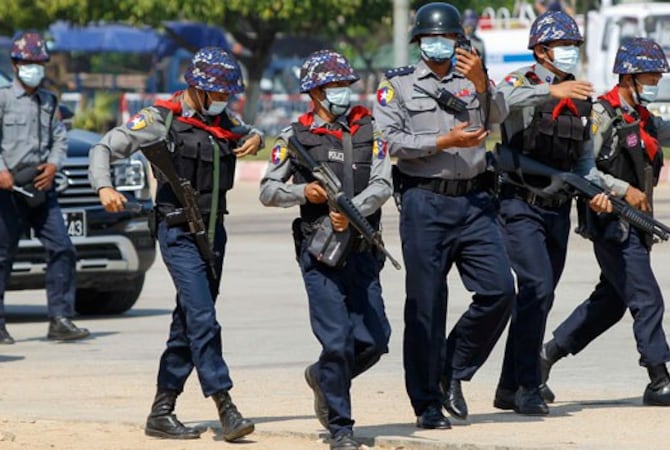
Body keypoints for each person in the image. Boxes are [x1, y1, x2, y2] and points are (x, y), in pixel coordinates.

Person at [541, 37, 670, 407]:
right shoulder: (600, 115)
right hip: (611, 222)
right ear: (628, 77)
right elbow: (583, 170)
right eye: (651, 78)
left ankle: (542, 358)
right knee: (647, 299)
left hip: (637, 226)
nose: (656, 84)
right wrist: (623, 190)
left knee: (609, 303)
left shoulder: (643, 119)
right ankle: (659, 380)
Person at [88, 47, 262, 441]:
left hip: (214, 230)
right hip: (178, 231)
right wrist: (104, 186)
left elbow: (248, 130)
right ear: (196, 89)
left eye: (227, 95)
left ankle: (161, 411)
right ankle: (225, 404)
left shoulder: (223, 118)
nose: (224, 100)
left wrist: (256, 137)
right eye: (217, 93)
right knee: (202, 317)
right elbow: (104, 147)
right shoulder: (159, 119)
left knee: (188, 321)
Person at [374, 2, 514, 429]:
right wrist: (442, 141)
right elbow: (388, 141)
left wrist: (483, 83)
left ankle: (452, 369)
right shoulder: (396, 86)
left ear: (459, 40)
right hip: (424, 202)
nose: (441, 44)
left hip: (474, 201)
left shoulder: (474, 78)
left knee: (499, 292)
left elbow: (498, 119)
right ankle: (426, 402)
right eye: (433, 39)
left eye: (449, 38)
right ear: (419, 42)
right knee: (426, 305)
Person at [260, 50, 392, 450]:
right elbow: (268, 189)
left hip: (363, 248)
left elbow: (384, 184)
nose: (342, 93)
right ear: (314, 93)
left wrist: (353, 213)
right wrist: (306, 191)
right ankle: (341, 428)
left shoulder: (372, 131)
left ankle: (322, 376)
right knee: (336, 342)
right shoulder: (294, 138)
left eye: (344, 86)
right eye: (334, 86)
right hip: (320, 254)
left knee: (375, 340)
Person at [491, 11, 618, 416]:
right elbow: (496, 105)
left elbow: (584, 163)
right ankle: (529, 384)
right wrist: (553, 92)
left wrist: (600, 191)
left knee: (538, 299)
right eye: (563, 46)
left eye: (574, 46)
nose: (570, 53)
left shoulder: (580, 97)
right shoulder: (520, 83)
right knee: (536, 288)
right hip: (518, 204)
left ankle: (510, 386)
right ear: (541, 51)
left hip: (557, 211)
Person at [0, 31, 90, 345]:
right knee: (2, 255)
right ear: (15, 64)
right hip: (8, 191)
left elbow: (60, 138)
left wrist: (53, 165)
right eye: (28, 62)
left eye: (39, 62)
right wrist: (1, 171)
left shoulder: (49, 101)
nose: (34, 68)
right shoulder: (3, 99)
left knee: (63, 248)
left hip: (41, 188)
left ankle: (60, 319)